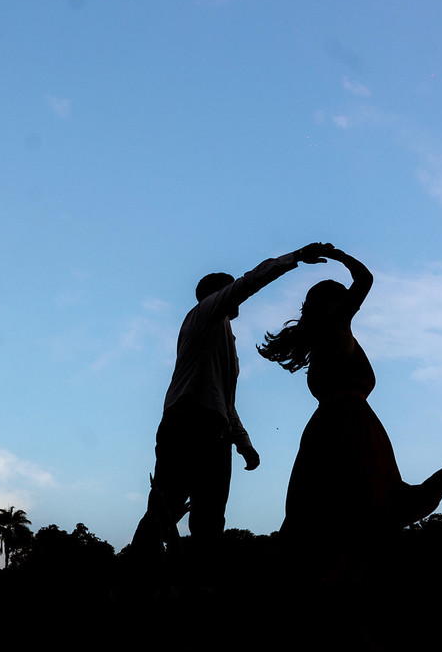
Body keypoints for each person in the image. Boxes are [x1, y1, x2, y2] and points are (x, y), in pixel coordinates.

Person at [258, 246, 442, 577]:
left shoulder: (322, 335)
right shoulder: (335, 324)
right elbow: (365, 279)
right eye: (344, 299)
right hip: (350, 428)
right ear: (336, 303)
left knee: (329, 502)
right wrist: (340, 256)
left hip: (332, 426)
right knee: (366, 499)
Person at [132, 242, 330, 581]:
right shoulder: (206, 313)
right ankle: (137, 575)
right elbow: (250, 282)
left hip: (215, 430)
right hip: (186, 424)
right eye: (230, 289)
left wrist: (243, 442)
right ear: (216, 294)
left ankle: (200, 585)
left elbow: (224, 398)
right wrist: (294, 257)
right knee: (167, 506)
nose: (235, 294)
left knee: (209, 516)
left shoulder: (224, 338)